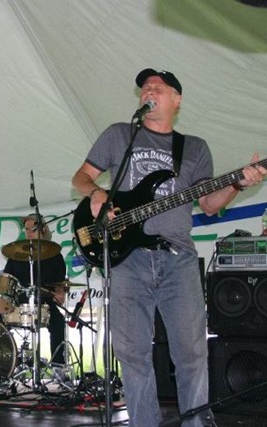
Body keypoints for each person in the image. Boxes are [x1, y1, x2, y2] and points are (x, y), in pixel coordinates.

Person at [71, 68, 266, 426]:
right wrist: (97, 193)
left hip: (178, 259)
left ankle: (195, 422)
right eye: (145, 88)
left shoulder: (194, 148)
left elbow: (209, 204)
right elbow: (81, 177)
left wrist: (239, 183)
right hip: (128, 261)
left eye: (158, 88)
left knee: (191, 353)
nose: (149, 91)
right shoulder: (119, 134)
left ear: (176, 100)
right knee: (133, 354)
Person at [3, 214, 67, 365]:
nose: (29, 232)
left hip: (45, 302)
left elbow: (60, 283)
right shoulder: (15, 254)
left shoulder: (54, 255)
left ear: (43, 230)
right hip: (19, 302)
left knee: (58, 323)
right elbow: (7, 280)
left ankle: (58, 367)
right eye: (26, 229)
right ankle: (4, 365)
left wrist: (60, 293)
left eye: (33, 229)